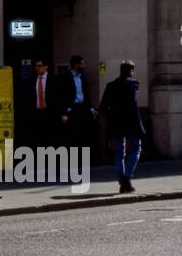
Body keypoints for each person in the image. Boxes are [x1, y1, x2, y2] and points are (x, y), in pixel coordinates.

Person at [99, 61, 146, 193]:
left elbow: (102, 107)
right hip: (131, 122)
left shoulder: (111, 85)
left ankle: (123, 182)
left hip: (116, 123)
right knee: (137, 149)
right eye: (133, 70)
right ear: (131, 70)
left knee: (119, 153)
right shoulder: (133, 83)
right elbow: (133, 104)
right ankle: (126, 179)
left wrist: (112, 115)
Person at [57, 54, 98, 162]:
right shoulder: (65, 77)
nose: (84, 66)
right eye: (82, 64)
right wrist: (65, 112)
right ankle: (71, 160)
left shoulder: (82, 77)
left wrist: (91, 108)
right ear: (76, 65)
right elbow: (62, 96)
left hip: (83, 108)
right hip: (72, 109)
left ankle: (83, 159)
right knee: (72, 136)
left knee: (83, 135)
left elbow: (85, 94)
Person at [22, 58, 54, 149]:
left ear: (46, 67)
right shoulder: (31, 80)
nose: (37, 68)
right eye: (36, 66)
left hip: (48, 112)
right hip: (36, 113)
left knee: (48, 137)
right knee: (36, 137)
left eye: (39, 66)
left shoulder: (53, 79)